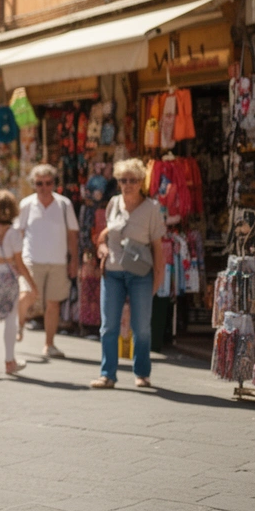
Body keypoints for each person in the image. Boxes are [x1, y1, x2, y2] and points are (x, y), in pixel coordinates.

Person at [91, 158, 166, 389]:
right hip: (113, 272)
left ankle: (142, 373)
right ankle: (108, 375)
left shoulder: (152, 209)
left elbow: (158, 248)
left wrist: (157, 281)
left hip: (140, 274)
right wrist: (101, 248)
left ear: (141, 181)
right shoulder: (113, 203)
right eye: (123, 180)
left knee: (141, 326)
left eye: (133, 180)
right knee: (108, 326)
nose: (128, 184)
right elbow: (104, 235)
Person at [15, 164, 80, 358]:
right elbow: (18, 233)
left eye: (48, 183)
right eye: (39, 183)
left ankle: (49, 344)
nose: (43, 187)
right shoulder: (26, 204)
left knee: (53, 303)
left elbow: (72, 235)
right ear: (34, 184)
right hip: (31, 260)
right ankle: (19, 324)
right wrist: (15, 260)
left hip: (58, 261)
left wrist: (74, 260)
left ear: (54, 184)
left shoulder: (64, 204)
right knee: (28, 295)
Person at [0, 190, 38, 377]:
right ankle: (9, 361)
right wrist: (32, 285)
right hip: (7, 278)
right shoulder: (13, 234)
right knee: (10, 320)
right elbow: (19, 263)